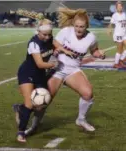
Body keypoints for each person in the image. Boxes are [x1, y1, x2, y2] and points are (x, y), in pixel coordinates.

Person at [26, 7, 105, 135]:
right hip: (57, 69)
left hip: (73, 70)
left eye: (82, 27)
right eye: (77, 26)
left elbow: (94, 50)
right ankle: (34, 126)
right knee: (45, 99)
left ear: (86, 26)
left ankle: (81, 119)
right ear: (73, 24)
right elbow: (55, 43)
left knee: (88, 94)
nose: (79, 29)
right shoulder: (66, 31)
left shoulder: (91, 37)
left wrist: (99, 54)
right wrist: (62, 50)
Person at [13, 10, 73, 143]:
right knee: (30, 103)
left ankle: (19, 108)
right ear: (38, 32)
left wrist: (65, 50)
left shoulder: (50, 37)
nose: (47, 37)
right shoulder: (33, 43)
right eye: (44, 35)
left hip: (40, 75)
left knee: (41, 104)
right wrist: (55, 64)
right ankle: (21, 132)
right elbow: (40, 64)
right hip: (27, 73)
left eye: (49, 35)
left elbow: (56, 44)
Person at [107, 1, 126, 68]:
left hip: (124, 34)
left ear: (122, 7)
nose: (120, 7)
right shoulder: (115, 15)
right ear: (116, 7)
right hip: (118, 34)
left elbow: (125, 21)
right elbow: (110, 24)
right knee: (119, 50)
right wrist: (109, 30)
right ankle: (116, 63)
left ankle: (121, 59)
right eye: (118, 6)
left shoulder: (124, 14)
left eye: (121, 6)